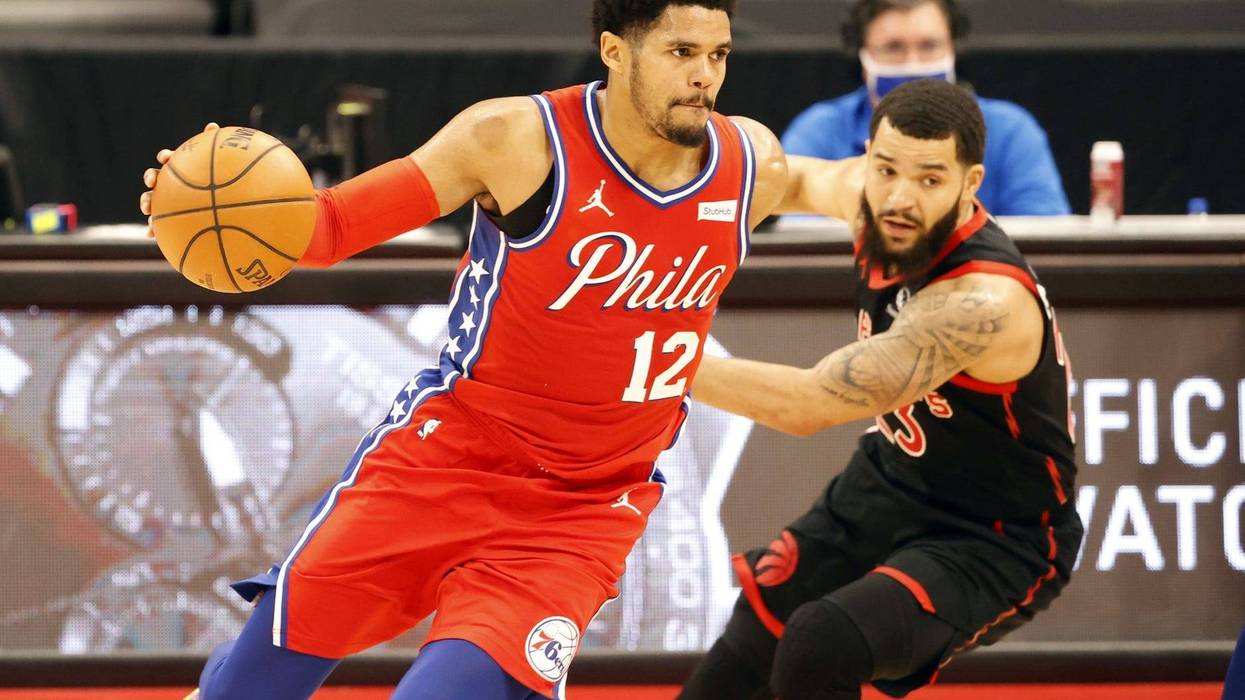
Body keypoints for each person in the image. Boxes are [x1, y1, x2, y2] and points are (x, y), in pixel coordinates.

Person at [138, 2, 794, 698]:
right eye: (681, 52)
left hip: (577, 507)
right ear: (615, 51)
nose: (703, 76)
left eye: (718, 55)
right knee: (249, 688)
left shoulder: (743, 157)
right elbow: (329, 229)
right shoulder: (510, 137)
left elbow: (849, 184)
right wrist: (207, 203)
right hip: (445, 460)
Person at [678, 79, 1083, 700]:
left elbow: (805, 405)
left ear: (970, 184)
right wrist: (659, 190)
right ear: (868, 156)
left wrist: (645, 352)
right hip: (889, 480)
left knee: (821, 641)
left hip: (993, 533)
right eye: (886, 169)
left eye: (929, 179)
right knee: (760, 624)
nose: (899, 197)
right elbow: (782, 178)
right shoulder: (869, 200)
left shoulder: (981, 301)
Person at [782, 0, 1070, 216]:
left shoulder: (1011, 131)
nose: (914, 64)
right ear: (862, 56)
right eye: (893, 48)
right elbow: (795, 240)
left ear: (954, 49)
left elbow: (1045, 238)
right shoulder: (817, 131)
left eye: (929, 46)